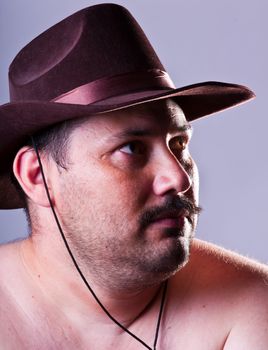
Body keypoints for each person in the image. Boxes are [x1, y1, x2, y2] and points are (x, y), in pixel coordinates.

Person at [0, 4, 267, 349]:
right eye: (132, 149)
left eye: (179, 143)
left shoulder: (250, 309)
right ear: (37, 176)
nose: (178, 178)